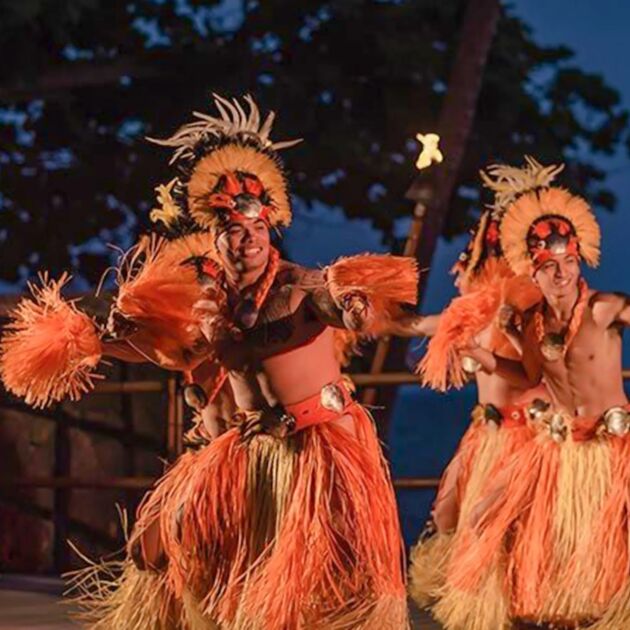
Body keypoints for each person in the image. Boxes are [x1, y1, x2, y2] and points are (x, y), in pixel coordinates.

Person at [0, 94, 435, 629]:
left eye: (255, 229)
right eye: (233, 230)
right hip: (246, 449)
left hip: (317, 452)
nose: (246, 239)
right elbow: (170, 351)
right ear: (215, 235)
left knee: (320, 583)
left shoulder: (303, 287)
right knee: (172, 546)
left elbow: (336, 301)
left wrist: (353, 305)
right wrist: (98, 339)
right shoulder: (208, 305)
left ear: (269, 226)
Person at [439, 157, 630, 629]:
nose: (561, 273)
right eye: (550, 266)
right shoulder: (530, 322)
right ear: (534, 271)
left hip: (612, 449)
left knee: (612, 552)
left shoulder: (604, 309)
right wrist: (484, 360)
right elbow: (526, 377)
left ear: (579, 260)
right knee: (550, 549)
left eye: (568, 262)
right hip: (560, 448)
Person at [408, 160, 547, 620]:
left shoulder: (529, 305)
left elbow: (533, 370)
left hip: (526, 434)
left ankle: (517, 603)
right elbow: (431, 323)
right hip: (484, 432)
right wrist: (381, 322)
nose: (472, 264)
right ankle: (489, 598)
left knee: (496, 519)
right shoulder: (474, 313)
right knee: (447, 514)